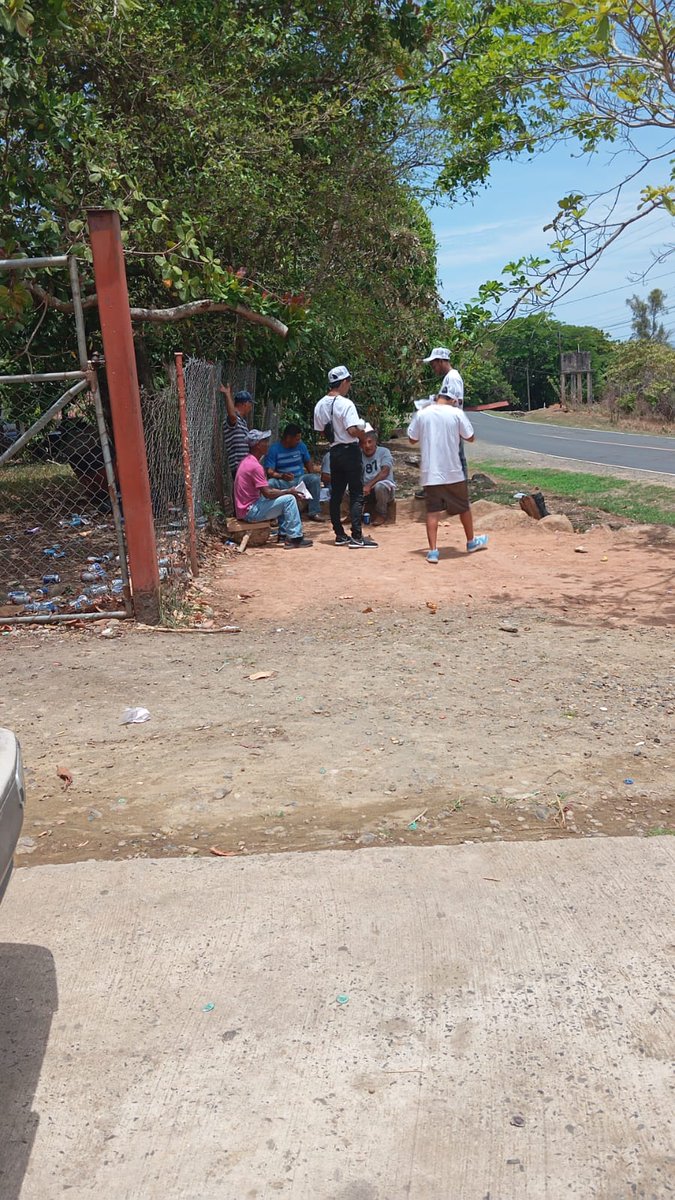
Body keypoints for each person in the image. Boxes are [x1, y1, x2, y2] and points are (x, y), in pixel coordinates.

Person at [407, 392, 488, 565]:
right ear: (452, 400)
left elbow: (412, 439)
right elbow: (470, 437)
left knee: (432, 511)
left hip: (431, 472)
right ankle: (471, 541)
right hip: (453, 470)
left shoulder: (422, 413)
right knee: (463, 506)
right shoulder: (456, 413)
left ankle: (433, 551)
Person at [313, 365, 377, 548]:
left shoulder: (320, 405)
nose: (349, 385)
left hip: (334, 452)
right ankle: (357, 536)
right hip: (350, 450)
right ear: (343, 382)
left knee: (337, 493)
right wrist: (363, 431)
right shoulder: (346, 404)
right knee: (357, 493)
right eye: (348, 381)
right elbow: (352, 429)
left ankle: (339, 534)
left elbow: (321, 432)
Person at [233, 429, 313, 549]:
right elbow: (268, 493)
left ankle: (284, 533)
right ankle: (295, 538)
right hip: (251, 511)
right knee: (289, 499)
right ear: (258, 445)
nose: (267, 444)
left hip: (246, 508)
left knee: (282, 497)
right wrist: (288, 491)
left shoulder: (246, 461)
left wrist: (282, 492)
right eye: (265, 441)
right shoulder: (255, 466)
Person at [421, 347, 468, 481]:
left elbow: (454, 401)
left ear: (441, 361)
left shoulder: (452, 378)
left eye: (433, 364)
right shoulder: (449, 378)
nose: (433, 368)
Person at [264, 423, 323, 521]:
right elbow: (270, 471)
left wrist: (312, 474)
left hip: (299, 479)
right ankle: (272, 515)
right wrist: (282, 475)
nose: (298, 441)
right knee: (270, 483)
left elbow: (308, 462)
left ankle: (314, 511)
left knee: (314, 479)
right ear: (288, 438)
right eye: (297, 439)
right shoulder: (274, 449)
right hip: (283, 481)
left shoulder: (301, 446)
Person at [361, 429, 395, 525]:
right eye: (364, 443)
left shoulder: (384, 452)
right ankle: (353, 514)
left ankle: (382, 514)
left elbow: (385, 472)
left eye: (370, 442)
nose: (367, 446)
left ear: (375, 442)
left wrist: (369, 485)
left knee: (380, 487)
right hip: (366, 489)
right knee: (348, 488)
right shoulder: (359, 455)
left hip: (384, 490)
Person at [220, 384, 253, 478]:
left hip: (245, 466)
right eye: (250, 404)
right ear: (244, 404)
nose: (250, 408)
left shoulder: (243, 422)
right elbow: (232, 415)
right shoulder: (233, 419)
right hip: (239, 466)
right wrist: (227, 394)